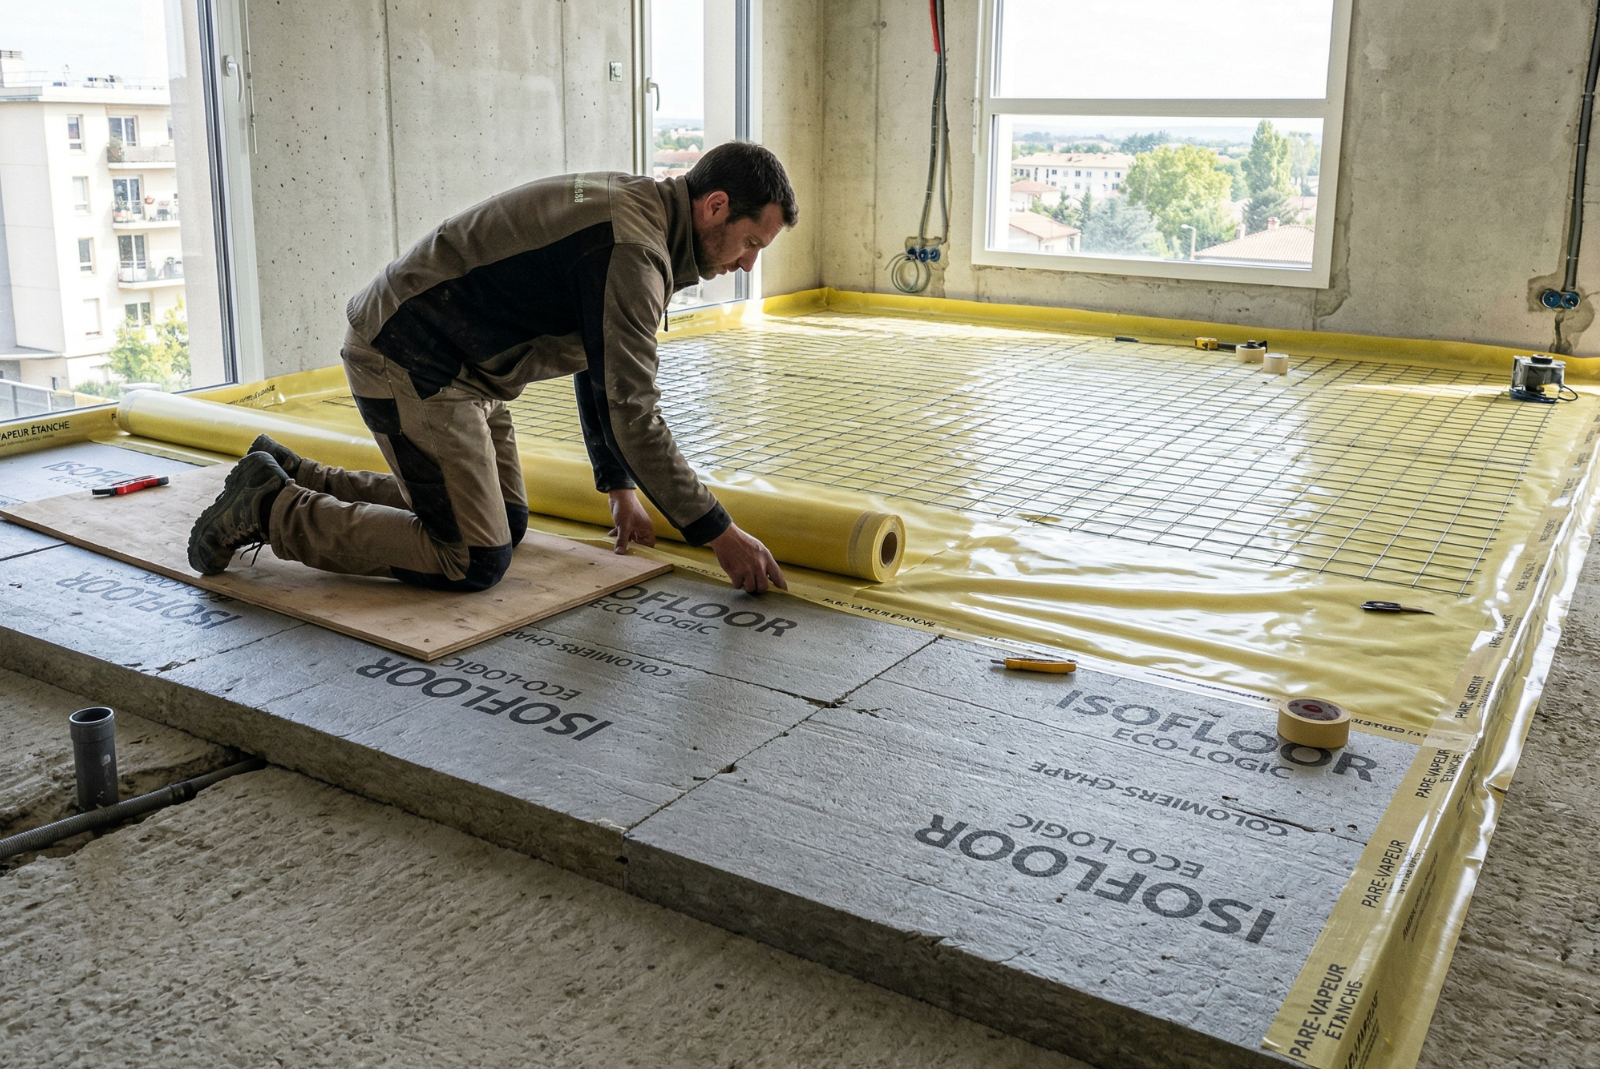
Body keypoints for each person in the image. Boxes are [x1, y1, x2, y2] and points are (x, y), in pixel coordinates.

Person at [187, 141, 796, 595]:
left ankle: (296, 474)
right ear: (716, 206)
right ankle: (270, 508)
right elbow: (632, 413)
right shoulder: (634, 252)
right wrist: (720, 534)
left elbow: (599, 359)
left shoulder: (639, 213)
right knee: (473, 556)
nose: (747, 265)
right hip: (411, 360)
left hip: (460, 366)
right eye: (753, 244)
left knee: (507, 521)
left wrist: (618, 488)